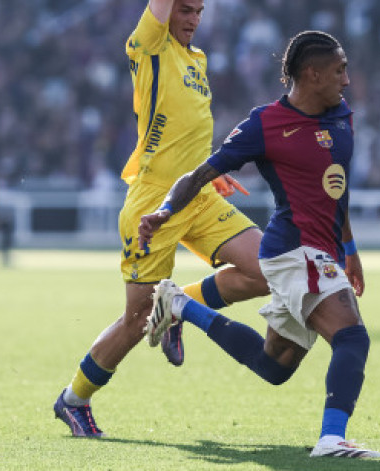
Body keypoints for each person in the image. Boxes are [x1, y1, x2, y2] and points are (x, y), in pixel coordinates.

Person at [139, 31, 380, 459]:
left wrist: (350, 249)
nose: (347, 80)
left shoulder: (341, 115)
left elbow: (335, 189)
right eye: (340, 70)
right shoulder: (265, 124)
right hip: (295, 249)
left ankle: (179, 305)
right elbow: (200, 173)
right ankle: (331, 438)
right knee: (352, 338)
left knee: (273, 367)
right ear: (312, 74)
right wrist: (164, 209)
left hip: (321, 249)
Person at [52, 0, 268, 438]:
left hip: (199, 195)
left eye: (198, 12)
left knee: (269, 269)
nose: (191, 18)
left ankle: (176, 305)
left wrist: (208, 172)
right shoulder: (151, 44)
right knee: (135, 320)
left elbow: (186, 126)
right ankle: (73, 399)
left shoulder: (198, 59)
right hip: (154, 203)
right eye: (183, 10)